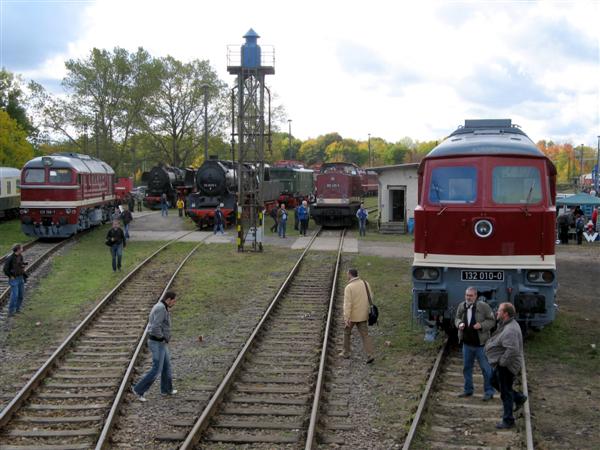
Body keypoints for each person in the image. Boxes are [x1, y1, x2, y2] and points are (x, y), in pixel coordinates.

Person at [485, 302, 527, 429]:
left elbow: (512, 350)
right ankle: (518, 397)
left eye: (499, 311)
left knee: (506, 392)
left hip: (506, 365)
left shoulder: (510, 330)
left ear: (506, 314)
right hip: (502, 364)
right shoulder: (506, 324)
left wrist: (502, 363)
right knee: (493, 381)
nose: (497, 312)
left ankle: (508, 420)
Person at [132, 291, 178, 401]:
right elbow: (154, 326)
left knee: (166, 366)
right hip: (157, 342)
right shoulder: (161, 308)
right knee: (156, 369)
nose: (174, 303)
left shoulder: (161, 306)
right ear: (168, 299)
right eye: (174, 300)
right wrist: (162, 337)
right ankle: (138, 390)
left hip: (161, 343)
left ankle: (166, 389)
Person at [455, 287, 496, 401]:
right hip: (467, 344)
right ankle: (468, 389)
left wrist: (482, 325)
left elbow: (492, 321)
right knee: (467, 368)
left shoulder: (484, 306)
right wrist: (459, 324)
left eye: (471, 295)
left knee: (486, 369)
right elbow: (457, 318)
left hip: (481, 345)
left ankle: (489, 391)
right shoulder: (461, 306)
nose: (468, 297)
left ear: (476, 296)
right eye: (467, 295)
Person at [340, 268, 375, 364]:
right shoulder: (365, 283)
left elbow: (348, 304)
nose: (347, 276)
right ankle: (370, 354)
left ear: (350, 275)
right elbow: (371, 297)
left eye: (347, 274)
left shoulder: (349, 287)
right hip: (363, 315)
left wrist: (346, 317)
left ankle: (346, 352)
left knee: (346, 332)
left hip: (352, 316)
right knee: (365, 335)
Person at [3, 244, 27, 316]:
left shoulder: (20, 256)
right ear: (18, 249)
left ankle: (17, 309)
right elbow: (5, 269)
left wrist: (23, 265)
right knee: (15, 295)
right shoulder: (10, 258)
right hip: (14, 279)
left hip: (20, 277)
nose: (22, 249)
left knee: (21, 295)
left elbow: (20, 264)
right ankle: (11, 312)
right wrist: (10, 276)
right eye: (21, 248)